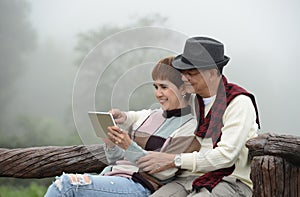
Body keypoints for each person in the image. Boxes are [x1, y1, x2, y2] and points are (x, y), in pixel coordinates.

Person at [44, 56, 199, 197]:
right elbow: (116, 160)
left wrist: (128, 145)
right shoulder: (150, 115)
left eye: (164, 87)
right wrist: (111, 144)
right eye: (155, 87)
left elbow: (164, 172)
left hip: (139, 186)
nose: (158, 93)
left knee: (65, 185)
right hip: (113, 178)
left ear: (183, 88)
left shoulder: (189, 127)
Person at [137, 36, 260, 197]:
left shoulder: (238, 103)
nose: (183, 78)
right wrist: (125, 119)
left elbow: (226, 156)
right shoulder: (193, 100)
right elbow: (160, 114)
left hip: (230, 181)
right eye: (183, 72)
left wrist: (174, 160)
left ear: (212, 73)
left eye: (191, 73)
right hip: (187, 178)